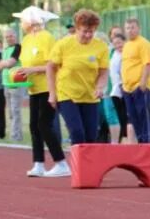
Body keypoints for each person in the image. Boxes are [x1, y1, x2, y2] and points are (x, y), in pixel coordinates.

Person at [14, 6, 70, 177]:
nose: (21, 23)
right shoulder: (26, 40)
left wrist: (32, 70)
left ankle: (61, 163)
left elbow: (53, 64)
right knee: (34, 126)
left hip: (48, 87)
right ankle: (38, 163)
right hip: (34, 88)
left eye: (23, 20)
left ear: (32, 21)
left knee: (44, 124)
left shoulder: (47, 38)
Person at [47, 9, 109, 145]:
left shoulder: (101, 47)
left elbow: (104, 72)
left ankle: (88, 165)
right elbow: (50, 68)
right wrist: (52, 93)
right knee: (77, 132)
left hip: (90, 96)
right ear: (76, 28)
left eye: (91, 31)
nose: (87, 35)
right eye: (84, 31)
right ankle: (78, 166)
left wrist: (100, 87)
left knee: (91, 136)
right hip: (67, 95)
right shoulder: (63, 44)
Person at [121, 18, 150, 143]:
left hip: (140, 86)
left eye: (133, 27)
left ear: (138, 28)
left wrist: (143, 83)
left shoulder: (143, 43)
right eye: (128, 28)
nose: (130, 30)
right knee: (134, 117)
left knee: (144, 116)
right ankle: (141, 141)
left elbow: (147, 64)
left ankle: (148, 143)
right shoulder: (127, 45)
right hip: (127, 88)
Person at [0, 28, 24, 141]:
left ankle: (15, 136)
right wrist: (4, 64)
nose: (9, 38)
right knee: (11, 112)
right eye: (7, 37)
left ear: (15, 36)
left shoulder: (18, 47)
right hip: (6, 83)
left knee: (15, 111)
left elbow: (10, 63)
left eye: (11, 36)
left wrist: (3, 64)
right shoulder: (6, 49)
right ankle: (16, 134)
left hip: (16, 83)